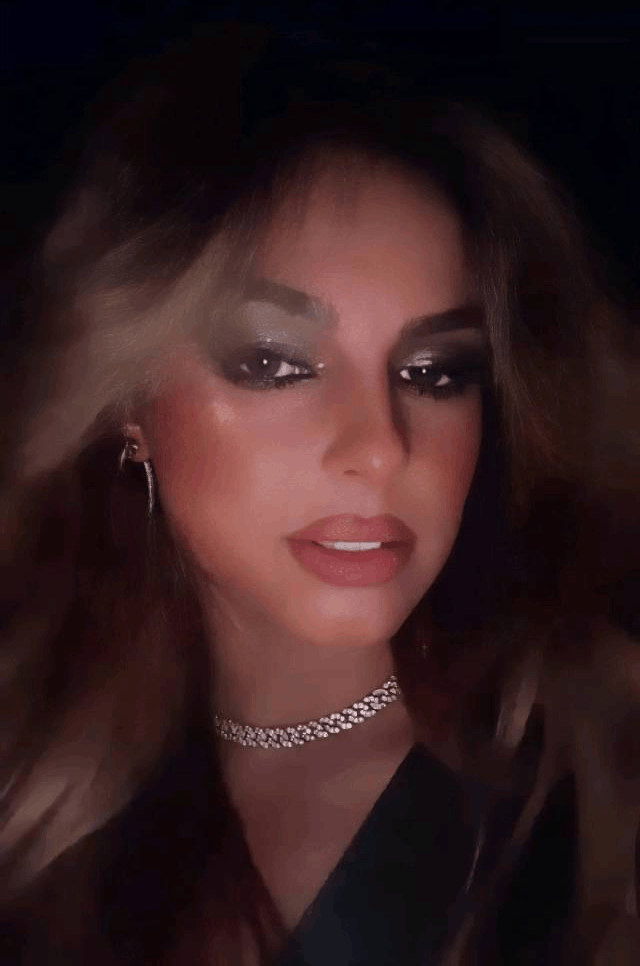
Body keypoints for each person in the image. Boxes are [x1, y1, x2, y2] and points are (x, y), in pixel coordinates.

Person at [0, 23, 638, 966]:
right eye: (274, 363)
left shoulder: (592, 794)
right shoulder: (35, 767)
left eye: (435, 372)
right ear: (126, 401)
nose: (380, 449)